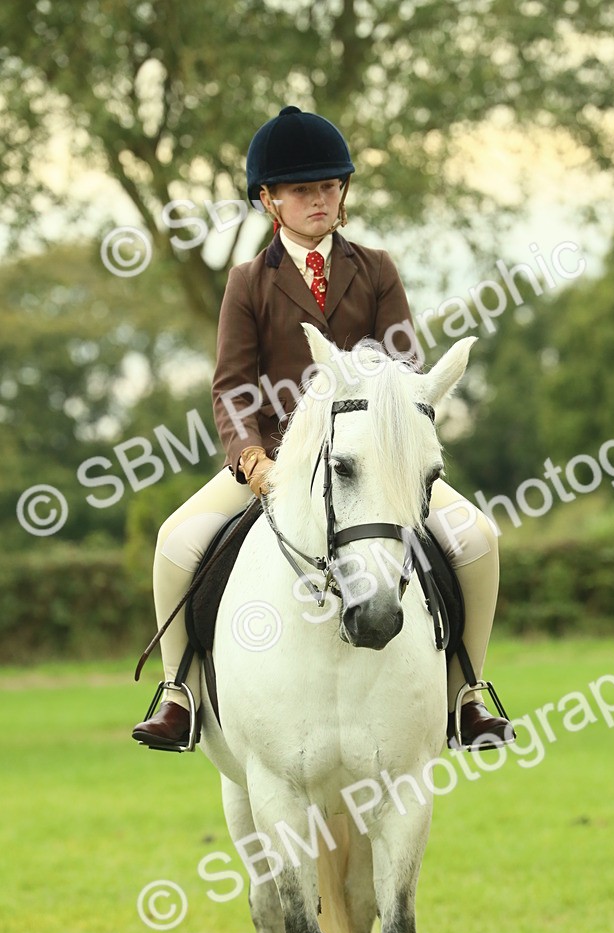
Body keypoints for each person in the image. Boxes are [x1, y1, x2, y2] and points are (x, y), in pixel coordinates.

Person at [132, 105, 513, 751]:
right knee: (175, 543)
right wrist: (253, 460)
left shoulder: (376, 268)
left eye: (330, 186)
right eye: (304, 190)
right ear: (269, 201)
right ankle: (180, 693)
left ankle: (467, 693)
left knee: (478, 539)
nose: (320, 200)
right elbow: (231, 384)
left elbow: (403, 368)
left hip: (369, 462)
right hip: (280, 462)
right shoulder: (249, 281)